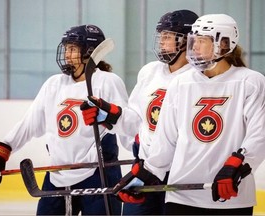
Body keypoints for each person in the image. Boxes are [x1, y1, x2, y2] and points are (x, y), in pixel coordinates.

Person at [112, 14, 265, 215]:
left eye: (202, 41)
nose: (195, 48)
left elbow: (259, 135)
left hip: (230, 196)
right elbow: (166, 140)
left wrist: (238, 167)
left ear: (225, 43)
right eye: (194, 41)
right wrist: (146, 173)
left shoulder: (250, 82)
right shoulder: (181, 83)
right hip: (181, 196)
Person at [0, 24, 130, 215]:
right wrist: (4, 147)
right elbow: (29, 123)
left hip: (99, 173)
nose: (67, 54)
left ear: (89, 52)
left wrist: (143, 158)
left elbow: (126, 124)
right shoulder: (54, 84)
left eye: (73, 48)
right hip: (57, 174)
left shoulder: (108, 81)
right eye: (66, 48)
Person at [81, 9, 198, 215]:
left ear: (188, 41)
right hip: (143, 170)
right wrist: (109, 113)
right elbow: (136, 120)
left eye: (168, 36)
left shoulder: (198, 78)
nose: (161, 42)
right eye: (161, 36)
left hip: (182, 172)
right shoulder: (150, 72)